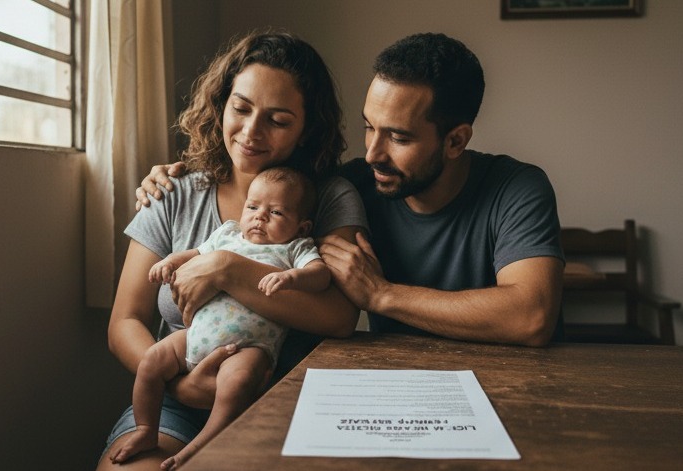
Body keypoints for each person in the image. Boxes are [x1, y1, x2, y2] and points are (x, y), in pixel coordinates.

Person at [136, 32, 564, 347]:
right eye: (368, 128)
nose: (373, 153)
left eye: (398, 138)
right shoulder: (356, 183)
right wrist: (177, 175)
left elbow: (531, 316)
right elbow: (274, 183)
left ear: (455, 140)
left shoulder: (516, 187)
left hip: (516, 382)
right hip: (393, 383)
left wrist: (383, 295)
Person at [99, 31, 366, 471]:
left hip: (290, 397)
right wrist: (182, 386)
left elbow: (339, 317)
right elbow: (124, 322)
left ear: (306, 130)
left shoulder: (327, 198)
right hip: (173, 401)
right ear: (221, 104)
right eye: (240, 109)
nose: (250, 132)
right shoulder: (172, 194)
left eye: (278, 121)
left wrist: (226, 268)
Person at [109, 167, 329, 469]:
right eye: (252, 207)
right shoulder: (227, 233)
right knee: (152, 360)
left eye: (276, 212)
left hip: (249, 347)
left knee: (236, 382)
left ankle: (206, 441)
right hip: (196, 336)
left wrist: (293, 278)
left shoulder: (294, 248)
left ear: (302, 227)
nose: (259, 217)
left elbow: (320, 275)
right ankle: (147, 429)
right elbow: (195, 253)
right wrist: (170, 261)